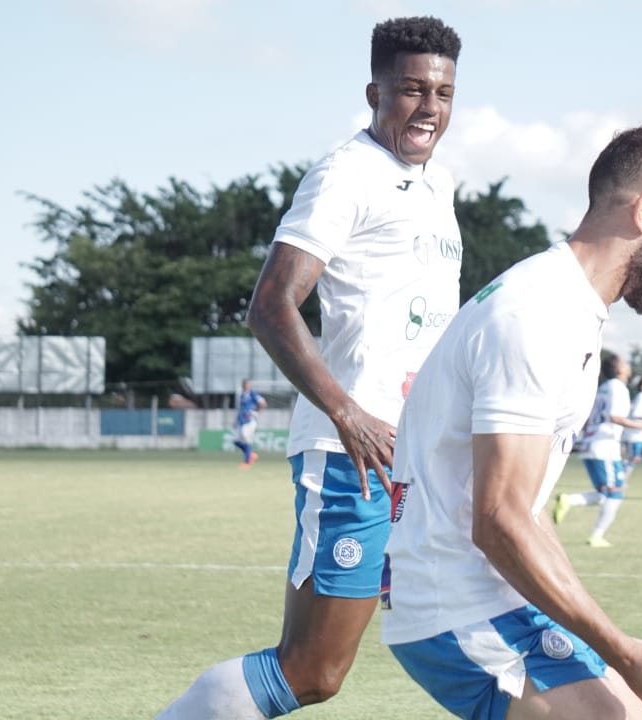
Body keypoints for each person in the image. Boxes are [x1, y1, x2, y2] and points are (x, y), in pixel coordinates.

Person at [155, 16, 463, 719]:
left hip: (417, 455)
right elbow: (271, 305)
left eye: (443, 93)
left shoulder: (439, 184)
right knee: (313, 670)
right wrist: (346, 411)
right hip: (354, 453)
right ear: (374, 93)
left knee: (464, 627)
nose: (429, 108)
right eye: (411, 90)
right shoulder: (345, 174)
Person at [382, 125, 642, 719]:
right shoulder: (537, 314)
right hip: (457, 604)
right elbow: (500, 520)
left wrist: (607, 641)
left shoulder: (569, 306)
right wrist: (623, 650)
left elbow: (529, 508)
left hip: (491, 596)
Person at [553, 354, 642, 548]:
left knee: (605, 495)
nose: (628, 366)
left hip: (596, 444)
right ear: (619, 369)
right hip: (604, 447)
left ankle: (569, 500)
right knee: (615, 493)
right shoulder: (618, 388)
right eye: (625, 363)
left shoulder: (603, 387)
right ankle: (596, 536)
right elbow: (615, 417)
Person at [233, 379, 268, 469]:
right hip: (241, 421)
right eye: (244, 385)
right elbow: (241, 408)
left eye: (247, 384)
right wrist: (236, 420)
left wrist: (255, 412)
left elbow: (263, 403)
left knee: (246, 438)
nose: (245, 386)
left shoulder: (252, 393)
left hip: (249, 421)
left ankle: (247, 462)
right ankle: (250, 454)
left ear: (249, 385)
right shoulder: (242, 395)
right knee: (235, 440)